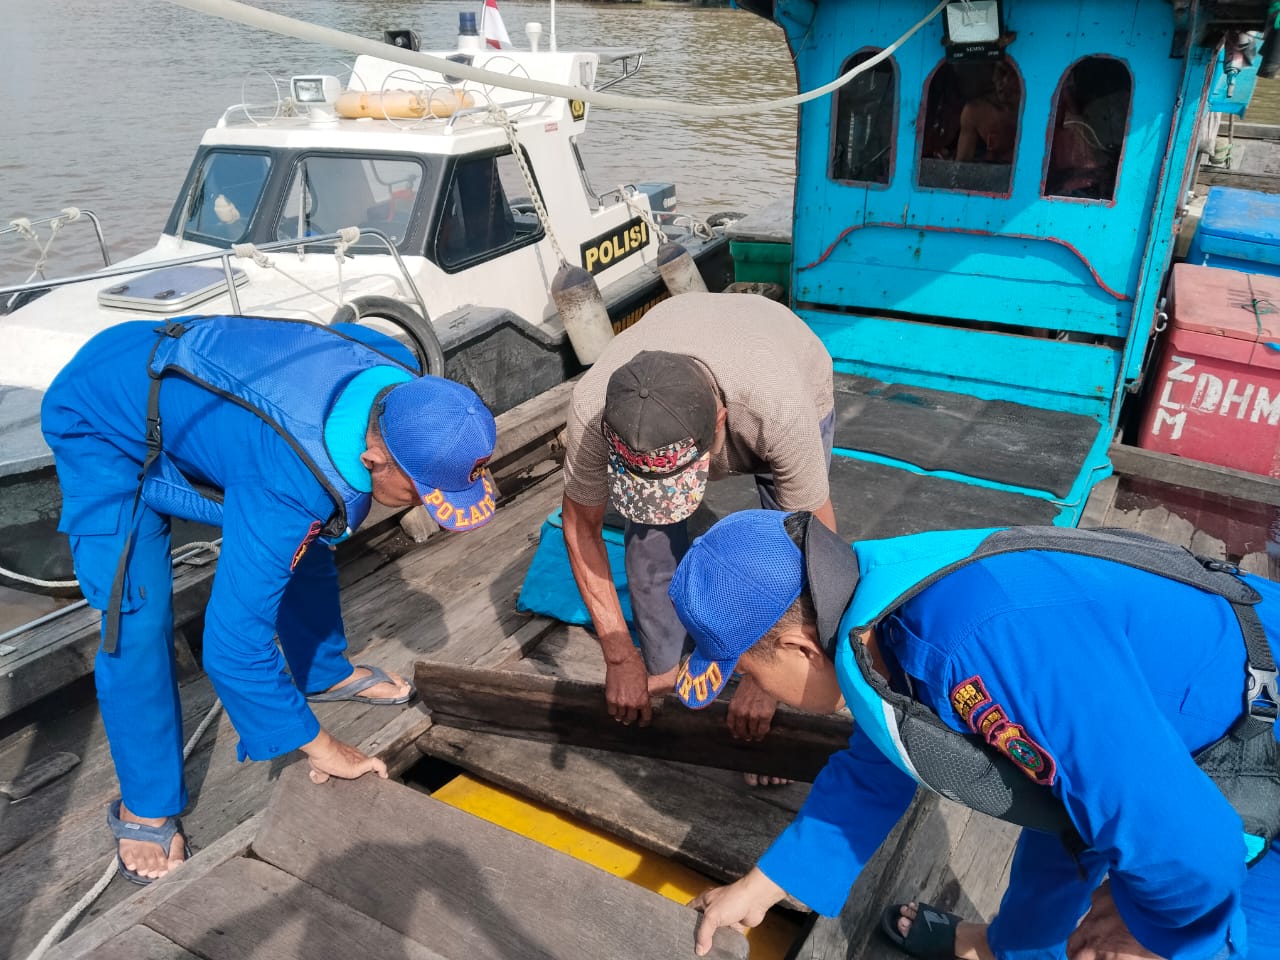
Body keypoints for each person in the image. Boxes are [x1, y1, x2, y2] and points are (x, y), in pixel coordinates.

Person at [668, 509, 1280, 960]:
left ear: (801, 646)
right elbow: (882, 755)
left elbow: (1192, 853)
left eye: (748, 674)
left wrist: (1146, 934)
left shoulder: (977, 647)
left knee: (1213, 932)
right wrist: (765, 886)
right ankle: (1006, 948)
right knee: (1061, 830)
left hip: (1251, 743)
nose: (761, 696)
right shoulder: (874, 607)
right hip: (1154, 743)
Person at [41, 314, 498, 884]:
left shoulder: (406, 389)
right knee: (135, 616)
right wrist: (324, 746)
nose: (425, 506)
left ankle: (320, 670)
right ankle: (146, 801)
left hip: (201, 402)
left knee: (308, 525)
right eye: (423, 493)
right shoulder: (291, 474)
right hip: (102, 420)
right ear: (374, 459)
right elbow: (232, 649)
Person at [560, 292, 836, 756]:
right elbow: (579, 525)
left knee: (780, 541)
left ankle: (762, 686)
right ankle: (666, 672)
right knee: (648, 542)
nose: (664, 500)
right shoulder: (594, 411)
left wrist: (766, 678)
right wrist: (620, 655)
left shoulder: (781, 410)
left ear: (720, 424)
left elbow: (815, 546)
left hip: (785, 359)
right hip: (686, 346)